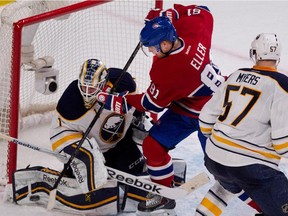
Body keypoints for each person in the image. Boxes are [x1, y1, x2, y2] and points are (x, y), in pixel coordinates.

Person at [96, 4, 263, 216]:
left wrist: (117, 100)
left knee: (224, 173)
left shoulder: (170, 70)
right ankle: (164, 195)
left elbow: (152, 104)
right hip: (193, 105)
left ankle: (268, 207)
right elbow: (203, 10)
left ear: (165, 44)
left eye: (154, 47)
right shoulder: (194, 31)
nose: (151, 51)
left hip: (212, 117)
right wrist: (170, 15)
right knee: (153, 146)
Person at [12, 58, 149, 215]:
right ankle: (50, 182)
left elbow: (134, 101)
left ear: (103, 83)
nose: (86, 93)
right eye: (84, 87)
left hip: (113, 144)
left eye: (92, 89)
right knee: (89, 162)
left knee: (137, 171)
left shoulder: (122, 82)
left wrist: (134, 112)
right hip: (70, 136)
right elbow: (67, 127)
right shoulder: (72, 99)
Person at [199, 33, 288, 216]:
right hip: (252, 168)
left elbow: (205, 120)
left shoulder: (235, 75)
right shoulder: (282, 86)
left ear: (253, 53)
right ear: (278, 56)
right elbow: (282, 144)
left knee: (225, 186)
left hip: (214, 159)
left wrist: (224, 146)